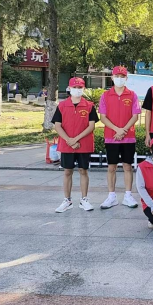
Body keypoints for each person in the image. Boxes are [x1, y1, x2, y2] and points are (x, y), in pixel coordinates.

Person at [52, 77, 99, 213]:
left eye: (80, 88)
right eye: (74, 87)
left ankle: (84, 199)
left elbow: (91, 126)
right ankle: (67, 200)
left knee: (83, 170)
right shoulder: (62, 106)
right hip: (67, 144)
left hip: (83, 144)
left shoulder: (89, 106)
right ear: (69, 88)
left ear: (84, 89)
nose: (77, 90)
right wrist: (69, 140)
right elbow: (57, 126)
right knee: (67, 171)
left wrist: (76, 139)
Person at [98, 66, 141, 209]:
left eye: (122, 77)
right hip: (111, 137)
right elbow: (103, 117)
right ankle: (111, 196)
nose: (119, 79)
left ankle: (128, 196)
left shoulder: (132, 95)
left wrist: (124, 130)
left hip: (128, 137)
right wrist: (117, 130)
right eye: (117, 76)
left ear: (126, 78)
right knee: (111, 167)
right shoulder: (105, 96)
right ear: (112, 77)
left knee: (128, 166)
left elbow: (135, 116)